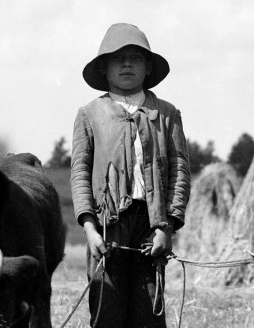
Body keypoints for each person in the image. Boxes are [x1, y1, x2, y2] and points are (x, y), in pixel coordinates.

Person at [70, 23, 191, 328]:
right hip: (107, 228)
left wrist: (167, 227)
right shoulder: (89, 115)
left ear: (147, 66)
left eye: (135, 57)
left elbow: (180, 173)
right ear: (104, 68)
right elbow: (80, 174)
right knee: (105, 311)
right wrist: (90, 229)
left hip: (151, 226)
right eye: (117, 58)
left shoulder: (167, 114)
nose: (126, 64)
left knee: (149, 311)